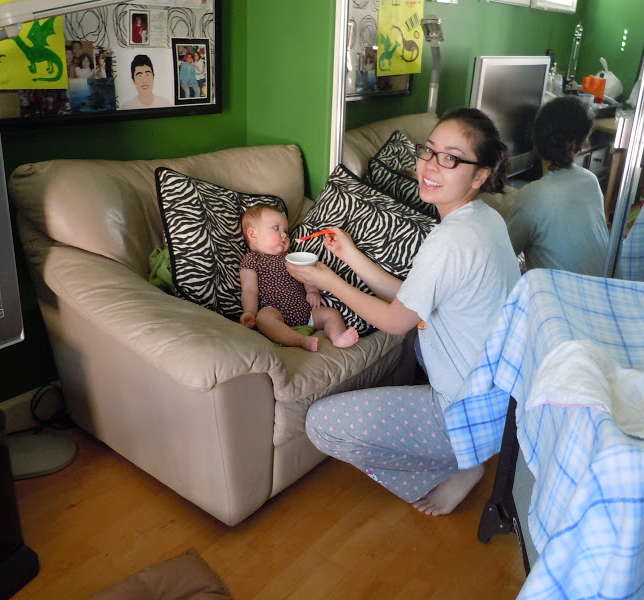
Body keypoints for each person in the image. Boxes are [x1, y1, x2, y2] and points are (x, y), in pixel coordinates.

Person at [286, 108, 521, 515]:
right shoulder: (485, 219)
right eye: (428, 151)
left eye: (451, 158)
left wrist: (328, 280)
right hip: (501, 400)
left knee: (321, 425)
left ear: (479, 175)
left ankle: (460, 464)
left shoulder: (449, 241)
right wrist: (349, 255)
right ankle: (466, 455)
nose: (431, 165)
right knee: (419, 341)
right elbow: (411, 301)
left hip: (466, 413)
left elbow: (395, 322)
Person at [505, 95, 610, 276]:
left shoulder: (531, 197)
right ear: (582, 144)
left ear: (535, 140)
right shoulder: (591, 181)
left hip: (561, 293)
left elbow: (502, 257)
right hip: (604, 289)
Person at [239, 204, 359, 352]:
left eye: (286, 232)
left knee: (332, 314)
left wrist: (312, 292)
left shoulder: (292, 256)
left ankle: (337, 337)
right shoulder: (252, 259)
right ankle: (300, 340)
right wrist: (250, 312)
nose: (284, 235)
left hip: (305, 311)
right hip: (274, 310)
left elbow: (307, 276)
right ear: (253, 234)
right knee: (263, 319)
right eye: (276, 228)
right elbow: (249, 290)